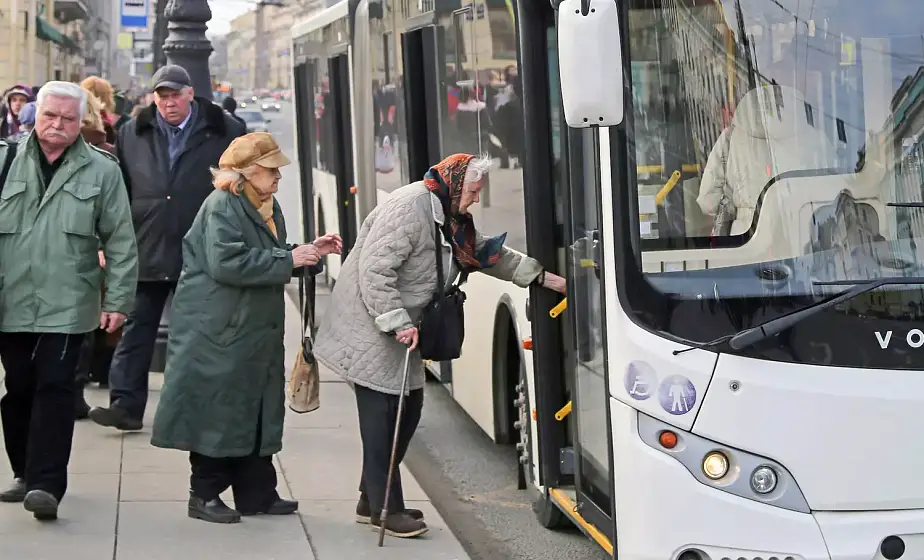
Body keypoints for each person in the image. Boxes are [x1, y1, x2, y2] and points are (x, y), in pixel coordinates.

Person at [314, 153, 566, 538]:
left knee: (409, 408)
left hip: (399, 326)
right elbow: (374, 271)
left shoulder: (448, 214)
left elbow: (482, 251)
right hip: (370, 326)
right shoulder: (409, 208)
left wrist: (540, 276)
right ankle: (386, 508)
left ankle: (371, 499)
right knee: (384, 419)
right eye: (474, 191)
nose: (476, 199)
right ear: (455, 183)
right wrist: (397, 322)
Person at [150, 132, 342, 524]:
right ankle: (203, 495)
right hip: (219, 330)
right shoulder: (222, 205)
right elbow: (227, 263)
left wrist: (305, 253)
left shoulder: (263, 204)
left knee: (256, 406)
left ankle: (257, 493)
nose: (278, 177)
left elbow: (262, 254)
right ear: (247, 172)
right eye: (271, 170)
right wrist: (288, 260)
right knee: (218, 412)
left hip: (248, 328)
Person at [0, 81, 138, 520]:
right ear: (34, 116)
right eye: (49, 116)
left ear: (83, 122)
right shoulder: (4, 160)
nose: (57, 125)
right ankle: (24, 471)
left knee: (57, 388)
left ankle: (46, 485)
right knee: (18, 388)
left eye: (68, 119)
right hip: (11, 297)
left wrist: (117, 299)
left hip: (70, 300)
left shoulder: (102, 170)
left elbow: (120, 239)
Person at [89, 65, 246, 433]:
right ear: (153, 97)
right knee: (135, 329)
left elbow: (245, 189)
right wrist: (107, 241)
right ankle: (125, 406)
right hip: (147, 244)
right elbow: (118, 191)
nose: (169, 102)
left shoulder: (225, 131)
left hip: (203, 247)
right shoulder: (132, 132)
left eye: (176, 94)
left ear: (191, 93)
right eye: (162, 95)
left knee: (202, 333)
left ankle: (205, 409)